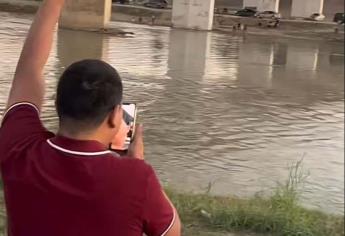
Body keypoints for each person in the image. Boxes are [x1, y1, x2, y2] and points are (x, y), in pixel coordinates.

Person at [0, 0, 181, 236]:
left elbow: (29, 69)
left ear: (57, 103)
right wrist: (137, 162)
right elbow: (171, 232)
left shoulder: (20, 149)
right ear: (116, 117)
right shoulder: (136, 177)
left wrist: (53, 3)